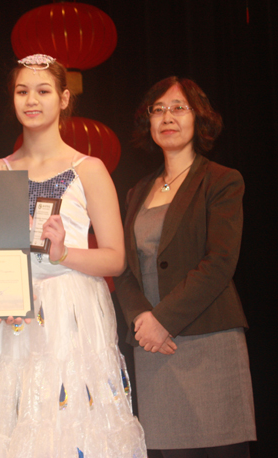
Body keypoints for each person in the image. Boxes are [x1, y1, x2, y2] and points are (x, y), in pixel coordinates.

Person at [0, 54, 146, 458]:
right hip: (10, 314)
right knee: (8, 419)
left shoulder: (90, 169)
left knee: (69, 423)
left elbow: (115, 259)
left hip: (72, 313)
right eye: (22, 91)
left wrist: (64, 253)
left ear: (64, 99)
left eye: (43, 91)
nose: (32, 100)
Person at [114, 76, 256, 457]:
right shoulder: (136, 190)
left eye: (179, 108)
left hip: (209, 340)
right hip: (154, 346)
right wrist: (142, 319)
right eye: (157, 110)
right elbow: (124, 268)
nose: (167, 117)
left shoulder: (221, 180)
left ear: (199, 118)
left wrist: (165, 320)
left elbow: (220, 262)